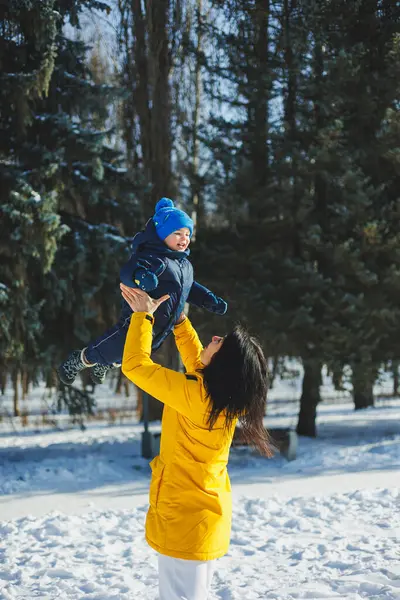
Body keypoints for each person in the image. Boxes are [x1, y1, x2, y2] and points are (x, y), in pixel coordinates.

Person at [120, 284, 272, 600]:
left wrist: (142, 317)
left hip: (186, 521)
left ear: (223, 365)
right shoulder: (220, 397)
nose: (213, 339)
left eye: (220, 344)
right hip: (203, 519)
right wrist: (178, 321)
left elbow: (135, 366)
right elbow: (197, 362)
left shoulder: (198, 396)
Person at [57, 198, 227, 386]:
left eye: (187, 234)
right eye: (177, 233)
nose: (184, 239)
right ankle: (81, 359)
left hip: (161, 326)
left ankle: (105, 364)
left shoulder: (185, 265)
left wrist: (207, 300)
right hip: (136, 319)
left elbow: (188, 287)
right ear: (162, 235)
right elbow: (128, 271)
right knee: (115, 345)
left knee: (136, 352)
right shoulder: (153, 258)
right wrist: (141, 276)